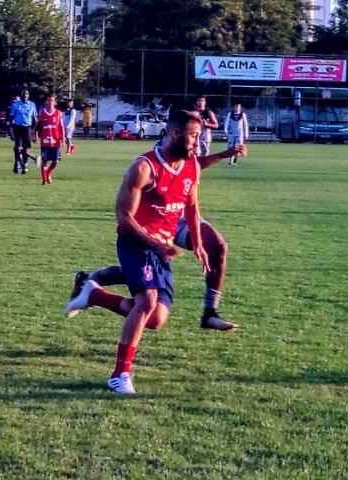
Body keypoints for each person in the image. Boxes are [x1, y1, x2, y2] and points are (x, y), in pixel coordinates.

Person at [64, 109, 211, 395]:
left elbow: (192, 207)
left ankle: (92, 293)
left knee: (156, 319)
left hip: (161, 248)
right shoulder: (144, 167)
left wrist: (198, 243)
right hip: (136, 242)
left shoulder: (191, 165)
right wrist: (153, 243)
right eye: (193, 136)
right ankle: (119, 375)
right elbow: (124, 217)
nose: (197, 142)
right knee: (146, 303)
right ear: (175, 133)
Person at [68, 143, 248, 332]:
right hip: (156, 214)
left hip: (179, 212)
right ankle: (90, 282)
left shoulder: (194, 126)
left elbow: (193, 165)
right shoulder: (175, 132)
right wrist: (224, 154)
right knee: (146, 281)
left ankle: (210, 312)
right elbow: (185, 163)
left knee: (218, 247)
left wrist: (224, 154)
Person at [9, 88, 38, 174]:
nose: (25, 95)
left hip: (28, 128)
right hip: (17, 128)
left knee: (25, 150)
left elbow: (35, 119)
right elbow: (11, 118)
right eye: (23, 94)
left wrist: (34, 132)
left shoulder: (32, 105)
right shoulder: (16, 105)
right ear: (21, 95)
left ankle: (22, 164)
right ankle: (22, 165)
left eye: (26, 94)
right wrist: (10, 131)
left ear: (28, 95)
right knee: (18, 149)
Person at [38, 95, 65, 185]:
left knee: (56, 161)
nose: (50, 102)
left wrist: (63, 139)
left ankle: (48, 173)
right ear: (46, 101)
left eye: (52, 100)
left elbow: (61, 127)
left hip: (55, 141)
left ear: (55, 102)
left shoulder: (58, 113)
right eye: (49, 100)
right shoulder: (42, 112)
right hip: (45, 141)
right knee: (44, 161)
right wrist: (33, 134)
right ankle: (44, 180)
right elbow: (38, 125)